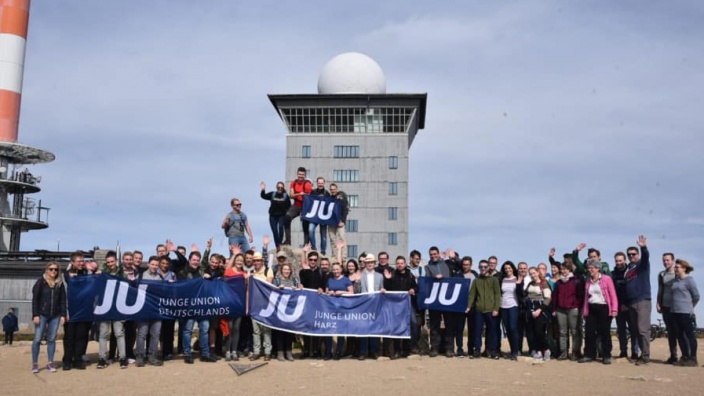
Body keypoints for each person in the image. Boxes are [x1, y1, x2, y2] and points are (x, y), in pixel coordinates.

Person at [579, 259, 618, 365]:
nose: (590, 270)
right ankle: (589, 355)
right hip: (591, 308)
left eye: (592, 268)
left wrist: (614, 309)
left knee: (604, 332)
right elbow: (586, 297)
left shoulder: (607, 279)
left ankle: (606, 355)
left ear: (597, 268)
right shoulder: (588, 281)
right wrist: (585, 311)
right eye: (589, 268)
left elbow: (613, 295)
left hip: (604, 307)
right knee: (589, 332)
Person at [31, 262, 66, 373]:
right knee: (37, 339)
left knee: (51, 339)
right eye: (51, 269)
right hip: (42, 314)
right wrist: (35, 314)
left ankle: (50, 363)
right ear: (46, 270)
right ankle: (35, 364)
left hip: (55, 315)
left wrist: (63, 315)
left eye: (55, 269)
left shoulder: (60, 284)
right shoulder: (41, 282)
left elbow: (63, 300)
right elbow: (35, 299)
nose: (53, 271)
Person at [96, 251, 127, 369]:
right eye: (108, 262)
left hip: (118, 307)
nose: (110, 264)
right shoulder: (102, 273)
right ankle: (102, 358)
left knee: (119, 333)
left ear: (116, 261)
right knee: (103, 334)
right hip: (104, 306)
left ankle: (122, 358)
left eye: (112, 261)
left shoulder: (122, 274)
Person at [424, 246, 457, 358]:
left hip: (447, 299)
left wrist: (454, 257)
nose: (433, 256)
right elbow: (427, 281)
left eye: (435, 254)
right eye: (431, 254)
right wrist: (434, 278)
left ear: (438, 254)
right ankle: (434, 348)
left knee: (449, 325)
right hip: (434, 300)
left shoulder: (447, 264)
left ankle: (449, 349)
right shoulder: (428, 267)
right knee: (434, 326)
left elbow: (458, 266)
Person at [383, 256, 418, 359]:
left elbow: (416, 287)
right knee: (397, 327)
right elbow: (388, 288)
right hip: (395, 305)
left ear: (405, 263)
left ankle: (408, 349)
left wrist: (413, 289)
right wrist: (388, 280)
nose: (399, 265)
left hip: (408, 304)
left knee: (413, 324)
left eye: (401, 263)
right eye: (398, 263)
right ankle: (397, 350)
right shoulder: (393, 274)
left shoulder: (410, 275)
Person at [625, 235, 651, 365]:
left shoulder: (642, 265)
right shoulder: (628, 270)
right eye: (629, 255)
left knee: (642, 329)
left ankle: (645, 356)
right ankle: (640, 354)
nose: (631, 256)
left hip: (642, 300)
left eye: (634, 254)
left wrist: (643, 247)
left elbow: (646, 257)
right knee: (634, 330)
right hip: (631, 303)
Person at [467, 260, 501, 359]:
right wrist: (469, 306)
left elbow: (497, 294)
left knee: (492, 331)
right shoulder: (476, 280)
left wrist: (496, 308)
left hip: (491, 310)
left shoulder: (494, 280)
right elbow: (472, 294)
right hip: (479, 310)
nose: (483, 269)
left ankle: (493, 351)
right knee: (477, 331)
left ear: (488, 268)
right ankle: (477, 350)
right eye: (481, 267)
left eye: (485, 267)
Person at [62, 251, 90, 371]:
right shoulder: (65, 275)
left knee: (81, 336)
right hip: (71, 311)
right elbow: (63, 293)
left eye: (82, 261)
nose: (81, 263)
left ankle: (78, 360)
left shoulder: (86, 273)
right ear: (72, 262)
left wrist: (93, 271)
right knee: (69, 336)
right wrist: (64, 313)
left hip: (83, 310)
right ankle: (67, 360)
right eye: (78, 261)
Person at [135, 256, 164, 367]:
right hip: (143, 309)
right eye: (152, 264)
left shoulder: (160, 277)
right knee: (142, 333)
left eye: (156, 265)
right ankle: (140, 356)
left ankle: (152, 356)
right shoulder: (141, 276)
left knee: (155, 334)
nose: (154, 267)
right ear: (148, 264)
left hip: (156, 310)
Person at [670, 259, 699, 367]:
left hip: (686, 313)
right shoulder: (675, 281)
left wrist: (690, 307)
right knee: (680, 335)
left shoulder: (689, 281)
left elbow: (696, 296)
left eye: (677, 267)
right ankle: (685, 356)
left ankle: (693, 358)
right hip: (674, 312)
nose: (675, 269)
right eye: (675, 267)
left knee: (690, 335)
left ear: (684, 268)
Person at [552, 262, 584, 360]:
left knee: (575, 331)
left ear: (570, 270)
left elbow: (581, 296)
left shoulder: (576, 281)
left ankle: (575, 352)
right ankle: (563, 352)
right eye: (562, 269)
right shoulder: (558, 283)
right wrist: (554, 309)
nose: (563, 271)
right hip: (560, 310)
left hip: (573, 309)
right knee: (562, 332)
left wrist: (577, 307)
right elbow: (554, 297)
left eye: (565, 269)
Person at [323, 262, 354, 360]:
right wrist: (329, 292)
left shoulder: (346, 280)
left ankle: (338, 351)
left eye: (337, 269)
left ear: (341, 269)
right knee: (328, 330)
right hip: (330, 308)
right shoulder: (330, 280)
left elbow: (351, 293)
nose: (336, 271)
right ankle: (328, 351)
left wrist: (342, 292)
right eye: (334, 269)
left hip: (342, 308)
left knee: (340, 330)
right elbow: (326, 292)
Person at [612, 251, 639, 359]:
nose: (618, 262)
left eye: (620, 260)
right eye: (617, 261)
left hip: (630, 305)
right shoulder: (613, 274)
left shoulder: (630, 272)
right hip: (618, 306)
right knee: (621, 330)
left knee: (633, 330)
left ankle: (635, 352)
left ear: (625, 260)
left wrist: (626, 304)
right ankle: (623, 351)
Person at [358, 254, 385, 360]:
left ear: (374, 264)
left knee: (375, 328)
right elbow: (357, 290)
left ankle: (374, 351)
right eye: (368, 262)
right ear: (365, 264)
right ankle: (363, 352)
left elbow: (381, 288)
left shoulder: (380, 276)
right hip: (364, 304)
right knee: (363, 328)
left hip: (375, 304)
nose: (370, 264)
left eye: (371, 262)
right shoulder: (360, 275)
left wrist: (382, 290)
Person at [522, 267, 552, 361]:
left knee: (540, 331)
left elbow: (547, 298)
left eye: (534, 273)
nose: (532, 275)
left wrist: (539, 310)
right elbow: (526, 295)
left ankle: (546, 350)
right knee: (533, 331)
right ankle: (539, 351)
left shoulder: (543, 283)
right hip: (530, 307)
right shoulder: (530, 284)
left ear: (538, 273)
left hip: (541, 308)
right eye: (530, 274)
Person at [223, 246, 248, 361]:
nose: (239, 262)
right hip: (229, 303)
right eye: (237, 260)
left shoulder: (244, 273)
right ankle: (227, 351)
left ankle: (234, 351)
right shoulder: (229, 271)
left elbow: (247, 289)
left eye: (241, 261)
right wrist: (234, 254)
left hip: (240, 303)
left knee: (237, 328)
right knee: (229, 327)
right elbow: (226, 270)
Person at [249, 252, 275, 361]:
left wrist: (256, 278)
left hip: (265, 304)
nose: (256, 262)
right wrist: (249, 278)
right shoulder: (250, 272)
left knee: (266, 329)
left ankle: (267, 352)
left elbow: (268, 285)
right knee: (256, 331)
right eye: (255, 261)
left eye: (258, 260)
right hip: (254, 304)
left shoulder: (267, 270)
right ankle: (256, 351)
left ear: (262, 261)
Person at [273, 261, 300, 361]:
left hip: (290, 309)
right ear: (281, 270)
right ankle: (280, 353)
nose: (287, 271)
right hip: (279, 310)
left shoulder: (294, 280)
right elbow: (271, 290)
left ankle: (288, 352)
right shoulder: (277, 280)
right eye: (285, 269)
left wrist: (297, 288)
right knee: (279, 332)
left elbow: (301, 289)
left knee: (289, 332)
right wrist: (277, 288)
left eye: (288, 269)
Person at [657, 252, 679, 364]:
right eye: (664, 260)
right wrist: (658, 303)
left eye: (667, 260)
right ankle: (673, 356)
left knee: (680, 332)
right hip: (666, 306)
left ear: (673, 260)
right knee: (670, 332)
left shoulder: (678, 273)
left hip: (678, 307)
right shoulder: (662, 275)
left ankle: (687, 355)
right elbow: (660, 290)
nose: (665, 262)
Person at [284, 166, 313, 246]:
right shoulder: (293, 183)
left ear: (305, 175)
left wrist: (299, 195)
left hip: (305, 206)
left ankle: (306, 244)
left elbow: (308, 197)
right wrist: (299, 194)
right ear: (297, 174)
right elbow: (291, 195)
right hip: (296, 205)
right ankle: (287, 240)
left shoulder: (307, 184)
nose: (301, 176)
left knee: (305, 224)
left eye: (302, 175)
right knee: (287, 218)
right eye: (299, 174)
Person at [500, 261, 521, 360]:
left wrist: (519, 285)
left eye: (509, 268)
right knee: (507, 330)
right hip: (503, 306)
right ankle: (512, 351)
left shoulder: (517, 279)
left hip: (513, 305)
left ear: (513, 268)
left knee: (513, 328)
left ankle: (516, 351)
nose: (508, 270)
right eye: (506, 268)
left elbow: (521, 293)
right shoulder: (502, 279)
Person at [261, 181, 291, 249]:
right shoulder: (273, 194)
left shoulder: (285, 196)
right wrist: (263, 189)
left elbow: (289, 206)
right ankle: (277, 246)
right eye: (278, 187)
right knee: (275, 231)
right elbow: (264, 196)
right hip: (273, 216)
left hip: (281, 215)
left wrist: (287, 213)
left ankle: (280, 243)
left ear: (283, 188)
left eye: (281, 187)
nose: (280, 189)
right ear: (276, 187)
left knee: (281, 228)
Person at [307, 176, 330, 255]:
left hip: (323, 216)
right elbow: (308, 202)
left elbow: (330, 205)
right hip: (314, 216)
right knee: (310, 230)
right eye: (319, 183)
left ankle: (323, 251)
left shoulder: (327, 193)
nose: (320, 184)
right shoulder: (312, 192)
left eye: (322, 183)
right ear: (317, 183)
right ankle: (314, 248)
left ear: (324, 183)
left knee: (323, 235)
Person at [327, 183, 348, 255]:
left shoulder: (341, 197)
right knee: (332, 239)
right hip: (331, 222)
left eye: (334, 189)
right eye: (331, 189)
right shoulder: (329, 198)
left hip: (340, 222)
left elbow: (345, 209)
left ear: (337, 189)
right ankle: (335, 256)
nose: (333, 191)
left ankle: (344, 258)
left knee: (342, 238)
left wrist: (343, 221)